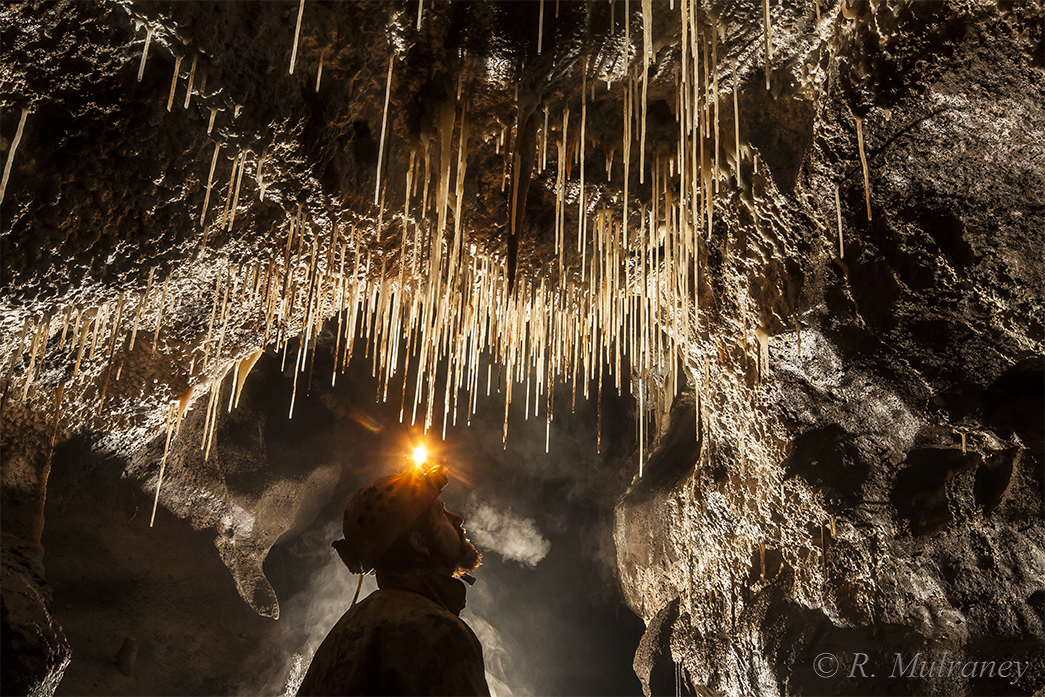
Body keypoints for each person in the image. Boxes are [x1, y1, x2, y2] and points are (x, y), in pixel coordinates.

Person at [296, 459, 490, 696]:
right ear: (419, 543)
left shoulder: (347, 629)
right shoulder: (438, 632)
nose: (457, 520)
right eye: (442, 514)